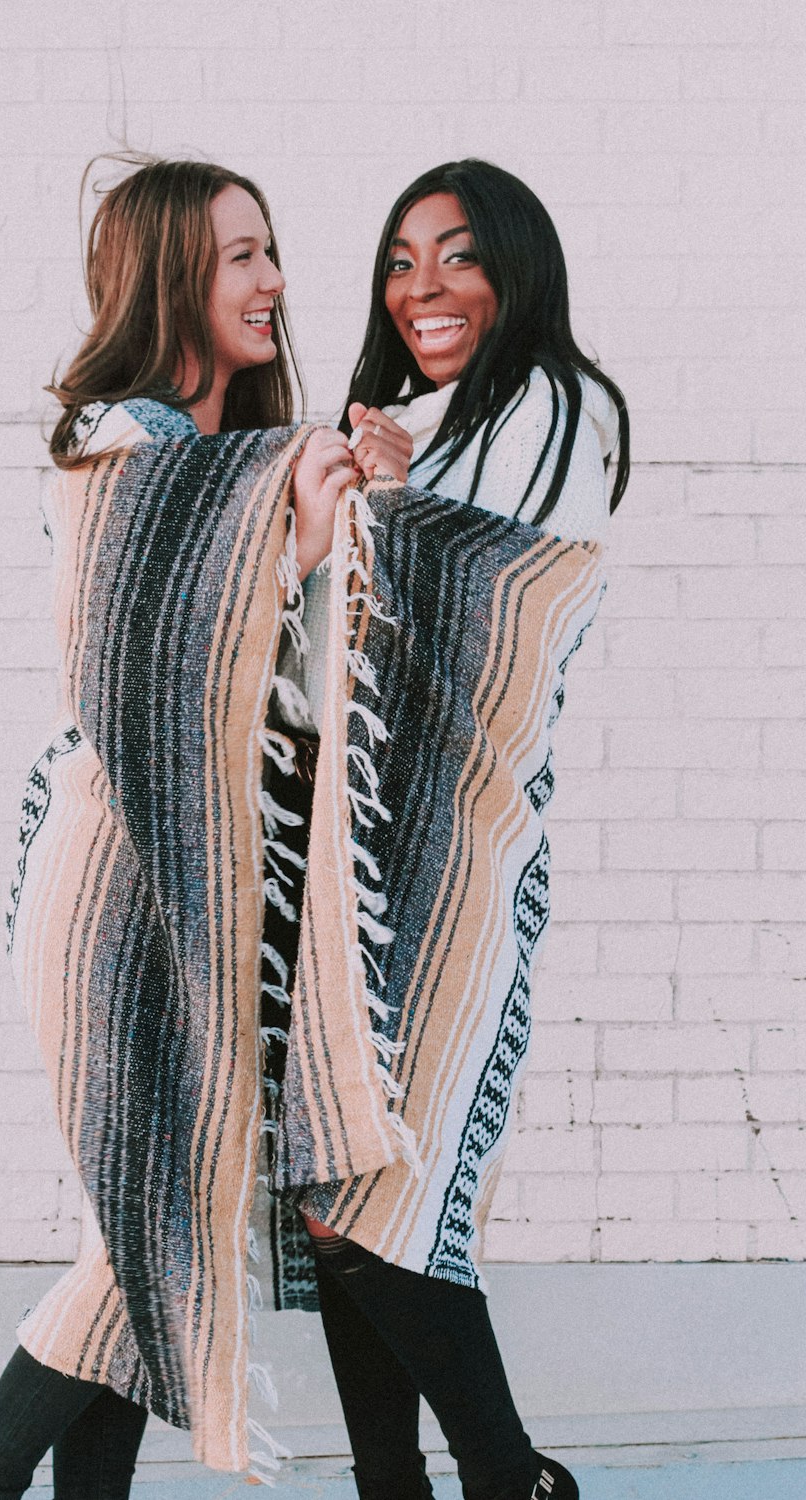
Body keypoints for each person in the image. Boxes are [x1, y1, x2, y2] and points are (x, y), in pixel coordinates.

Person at [0, 155, 375, 1500]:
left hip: (209, 881)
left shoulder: (223, 467)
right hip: (116, 881)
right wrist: (297, 541)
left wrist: (331, 532)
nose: (272, 281)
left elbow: (294, 699)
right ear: (171, 278)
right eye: (239, 257)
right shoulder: (120, 444)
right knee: (155, 1222)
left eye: (272, 251)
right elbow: (135, 673)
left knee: (153, 1220)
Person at [282, 159, 629, 1500]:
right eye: (401, 261)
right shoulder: (401, 425)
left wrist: (379, 497)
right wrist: (353, 495)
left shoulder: (555, 402)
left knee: (385, 1198)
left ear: (518, 268)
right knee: (336, 1189)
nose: (423, 288)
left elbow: (491, 597)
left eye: (459, 256)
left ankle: (506, 1477)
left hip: (456, 855)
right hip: (345, 850)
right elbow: (315, 638)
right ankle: (394, 1484)